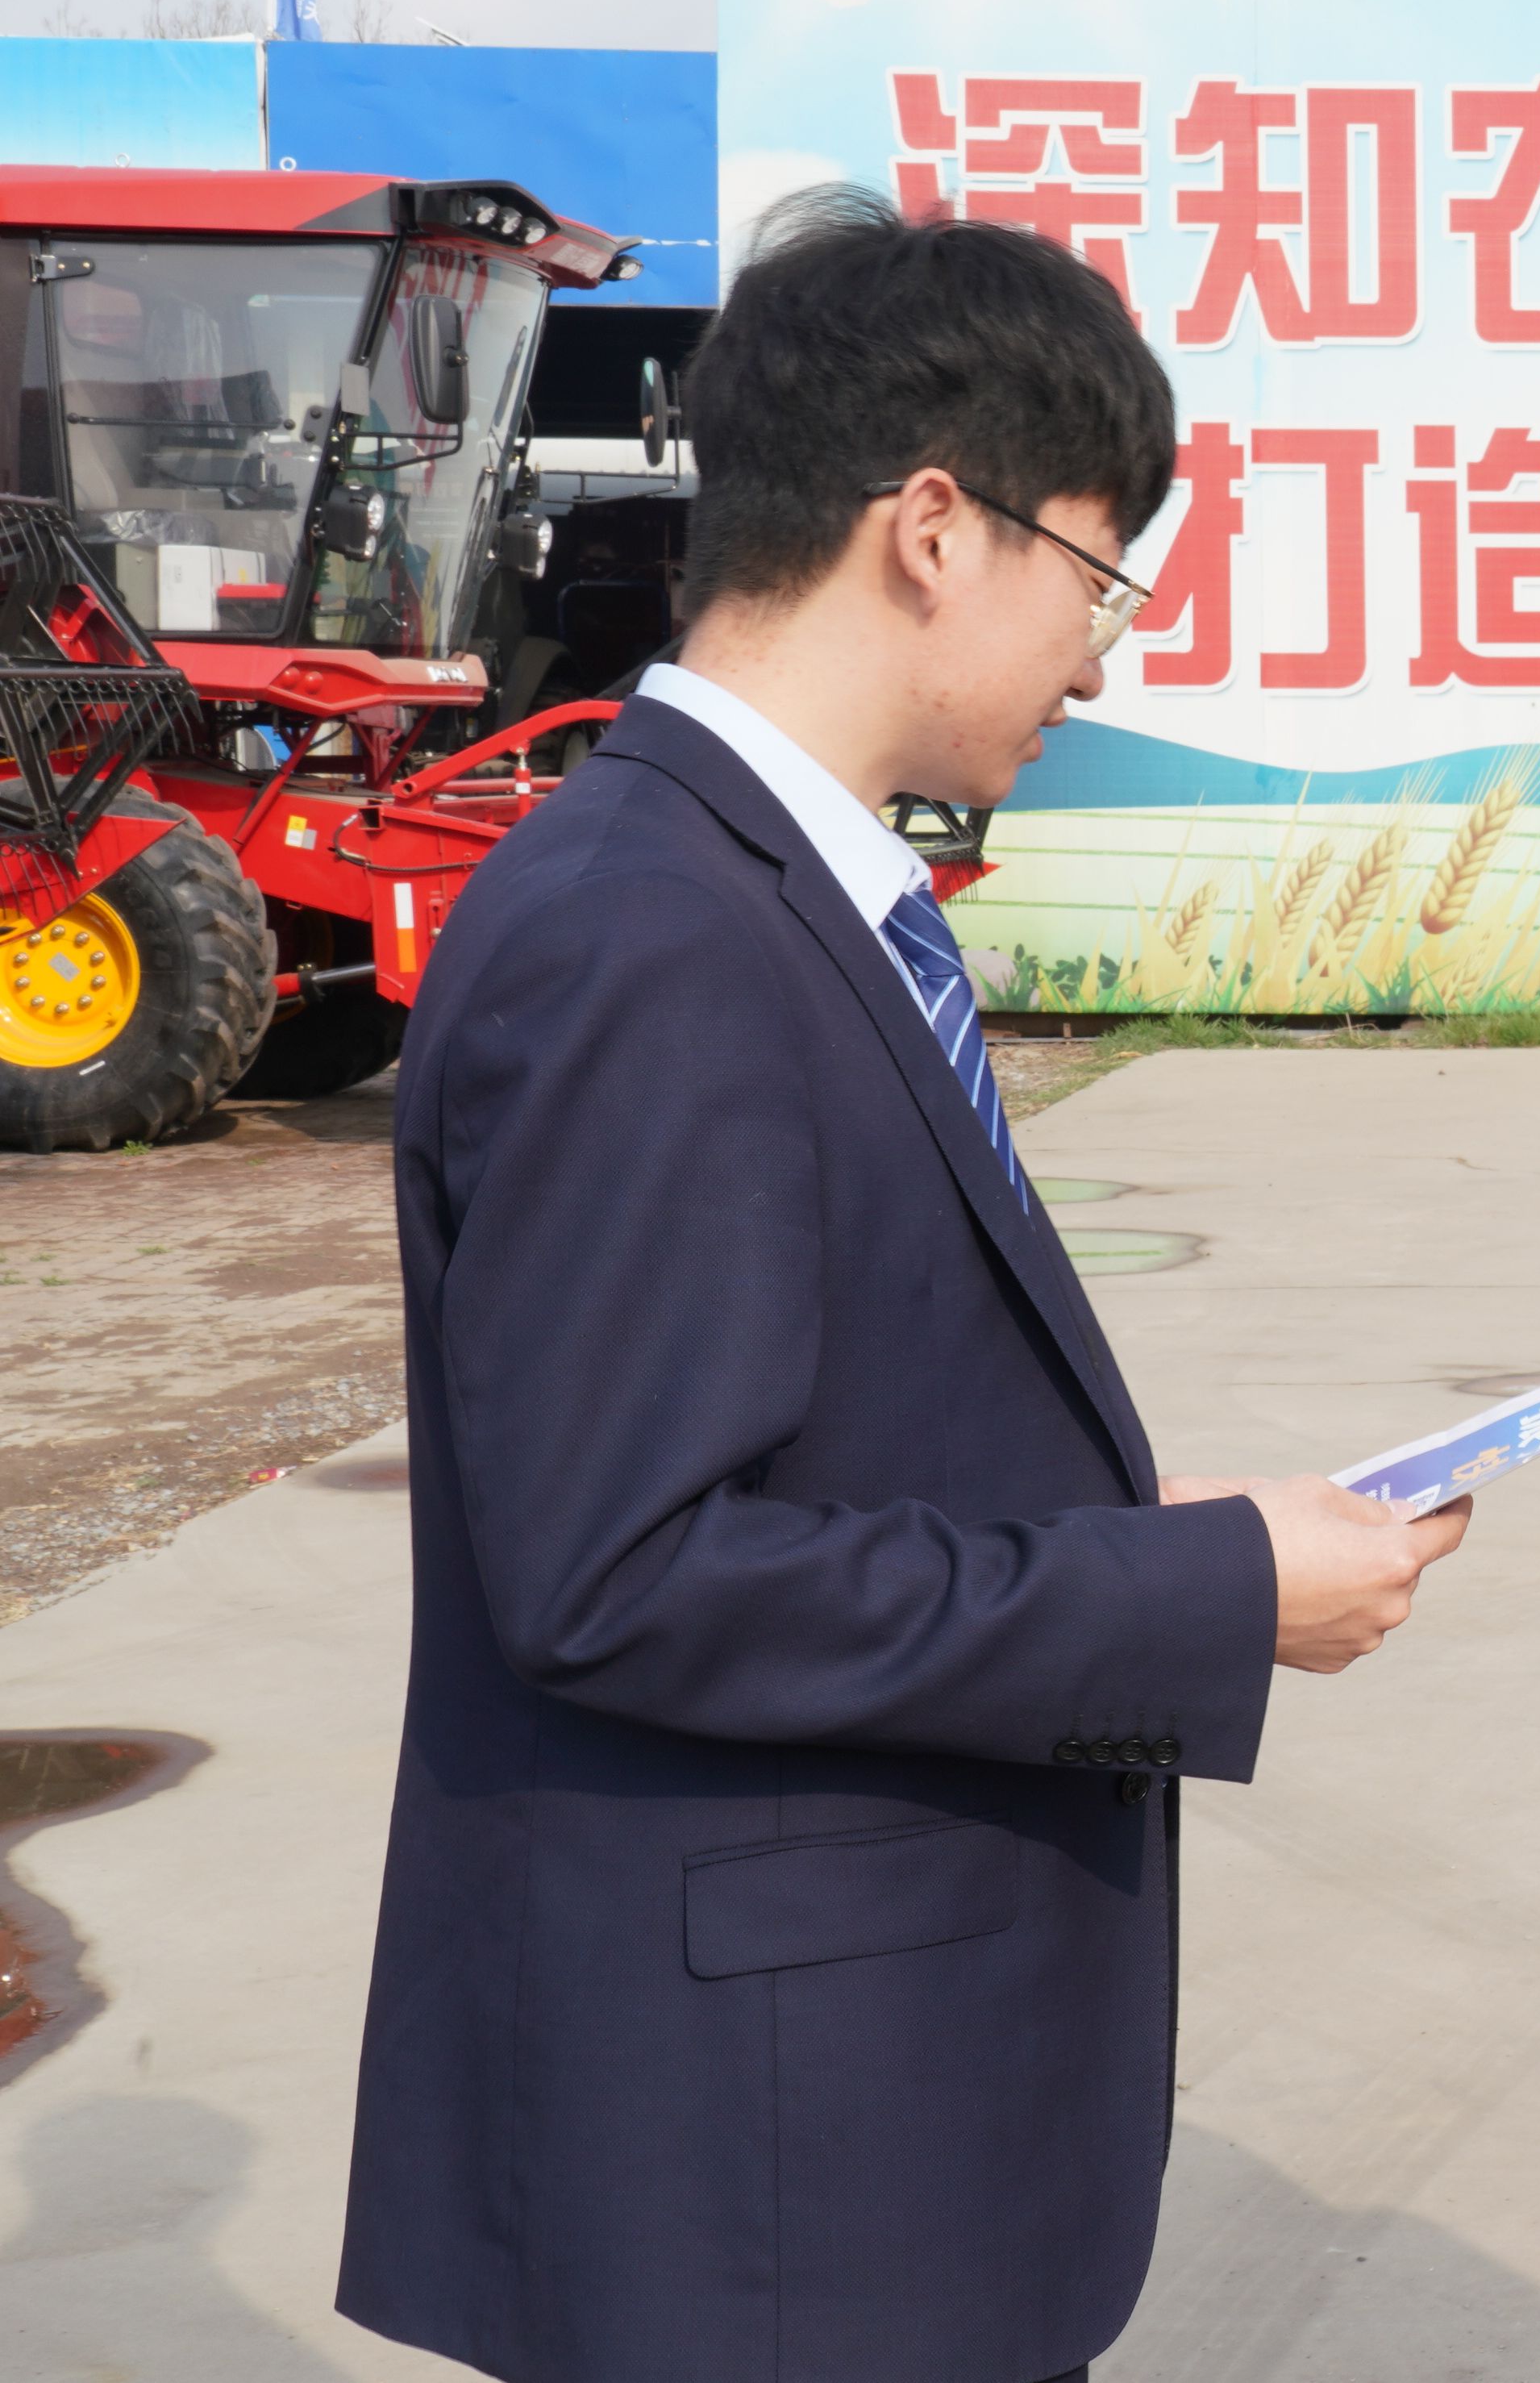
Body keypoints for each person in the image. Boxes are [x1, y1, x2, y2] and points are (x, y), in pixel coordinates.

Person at [339, 190, 1470, 2383]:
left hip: (825, 2112)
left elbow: (796, 1443)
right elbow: (626, 1570)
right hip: (773, 2175)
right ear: (936, 528)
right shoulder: (656, 930)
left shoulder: (757, 890)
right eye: (1100, 575)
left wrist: (1146, 1527)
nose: (1104, 658)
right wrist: (1202, 1593)